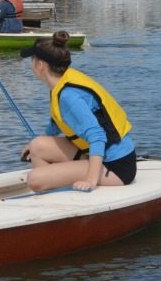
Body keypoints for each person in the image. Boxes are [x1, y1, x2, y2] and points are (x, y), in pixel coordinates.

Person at [18, 31, 137, 193]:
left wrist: (90, 180)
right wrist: (34, 144)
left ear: (40, 66)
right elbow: (56, 121)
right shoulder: (60, 82)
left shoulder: (69, 96)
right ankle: (51, 189)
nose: (31, 64)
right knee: (37, 146)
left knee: (35, 179)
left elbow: (98, 137)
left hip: (116, 166)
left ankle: (49, 185)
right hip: (96, 155)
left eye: (32, 60)